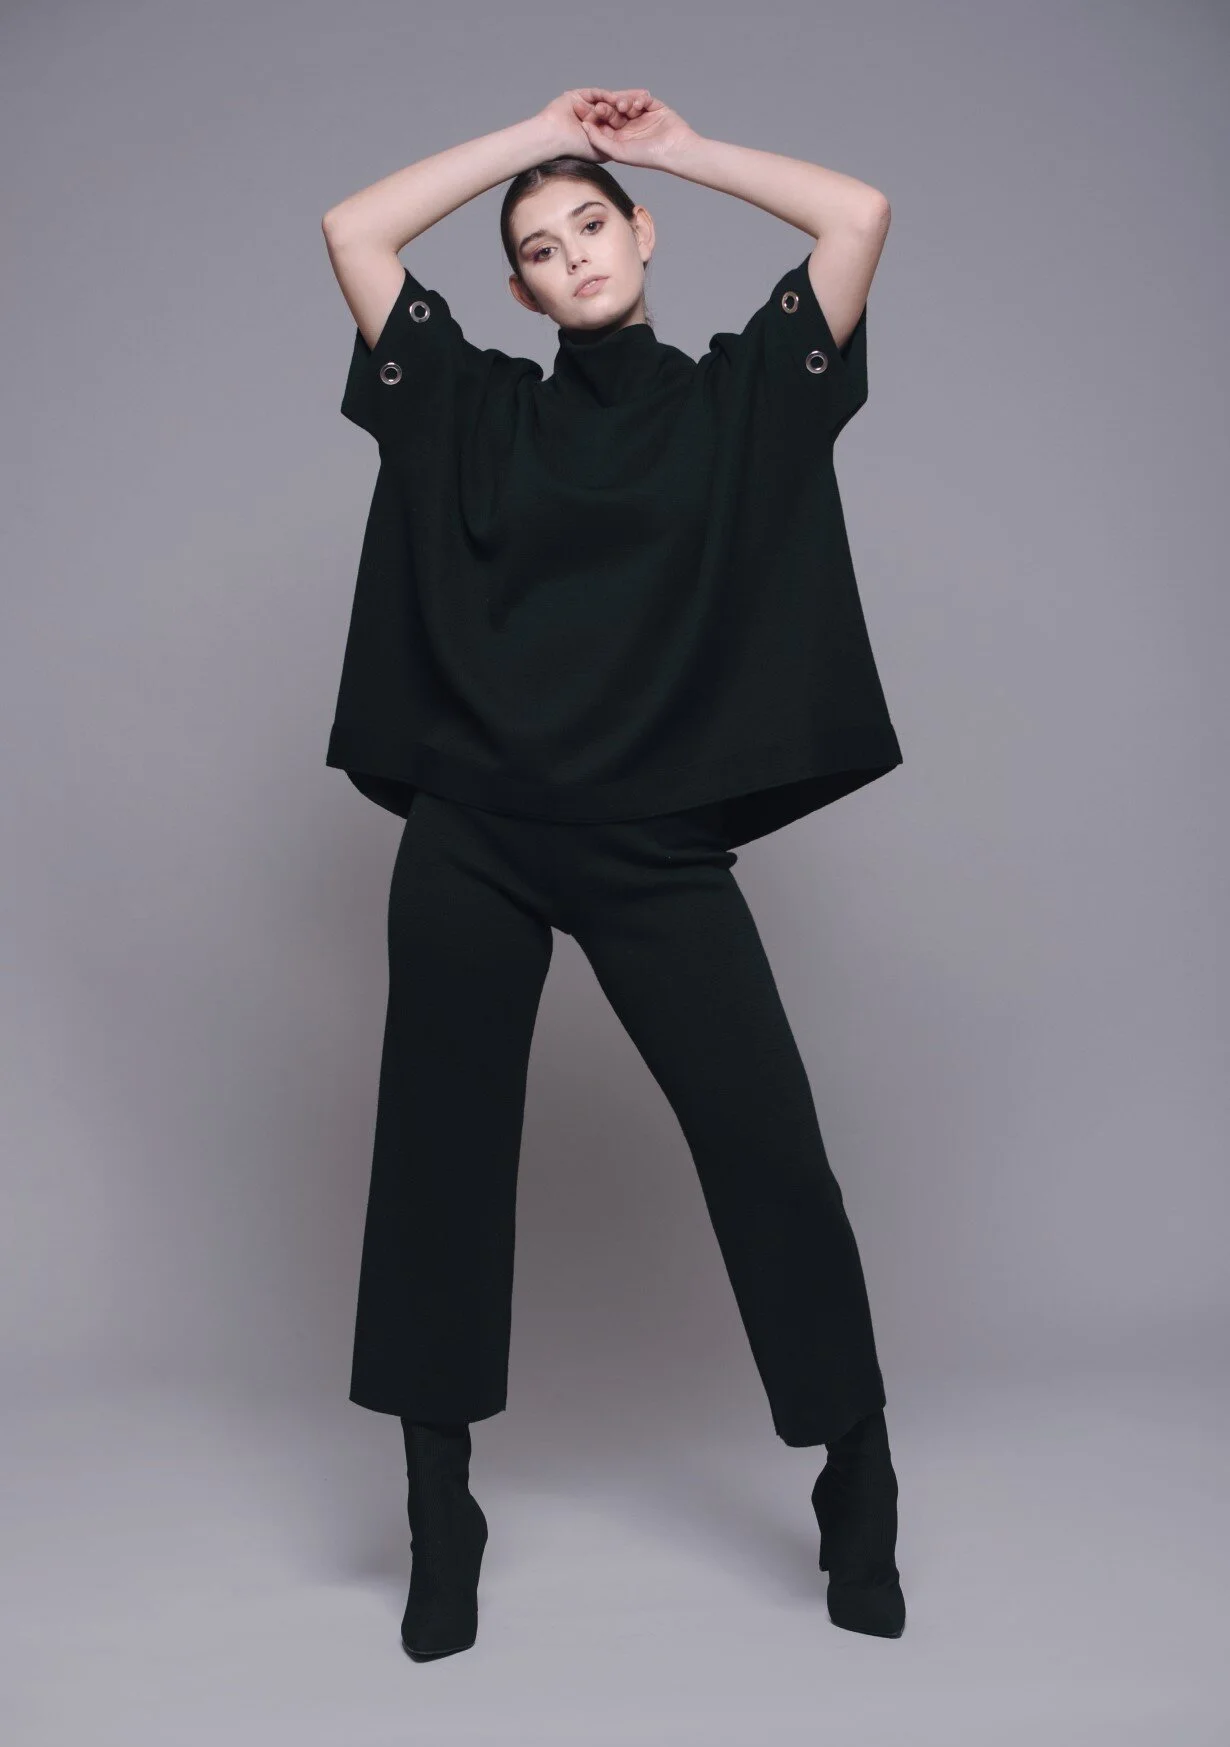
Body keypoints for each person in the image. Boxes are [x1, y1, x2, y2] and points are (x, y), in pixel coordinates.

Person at [321, 88, 907, 1658]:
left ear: (642, 237)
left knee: (769, 1151)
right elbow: (352, 232)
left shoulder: (738, 401)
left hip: (653, 846)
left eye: (591, 223)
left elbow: (855, 215)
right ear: (517, 289)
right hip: (472, 834)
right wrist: (528, 136)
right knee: (436, 1163)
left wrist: (677, 151)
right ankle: (439, 1511)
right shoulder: (471, 405)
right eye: (538, 244)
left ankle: (855, 1473)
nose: (571, 252)